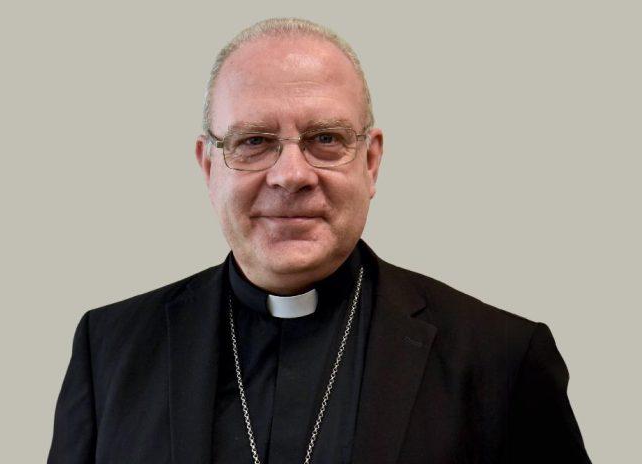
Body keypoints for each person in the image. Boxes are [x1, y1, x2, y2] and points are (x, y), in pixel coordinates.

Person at [48, 18, 592, 464]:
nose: (290, 174)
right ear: (208, 165)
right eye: (254, 142)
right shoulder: (110, 350)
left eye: (325, 140)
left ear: (371, 162)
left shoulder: (500, 359)